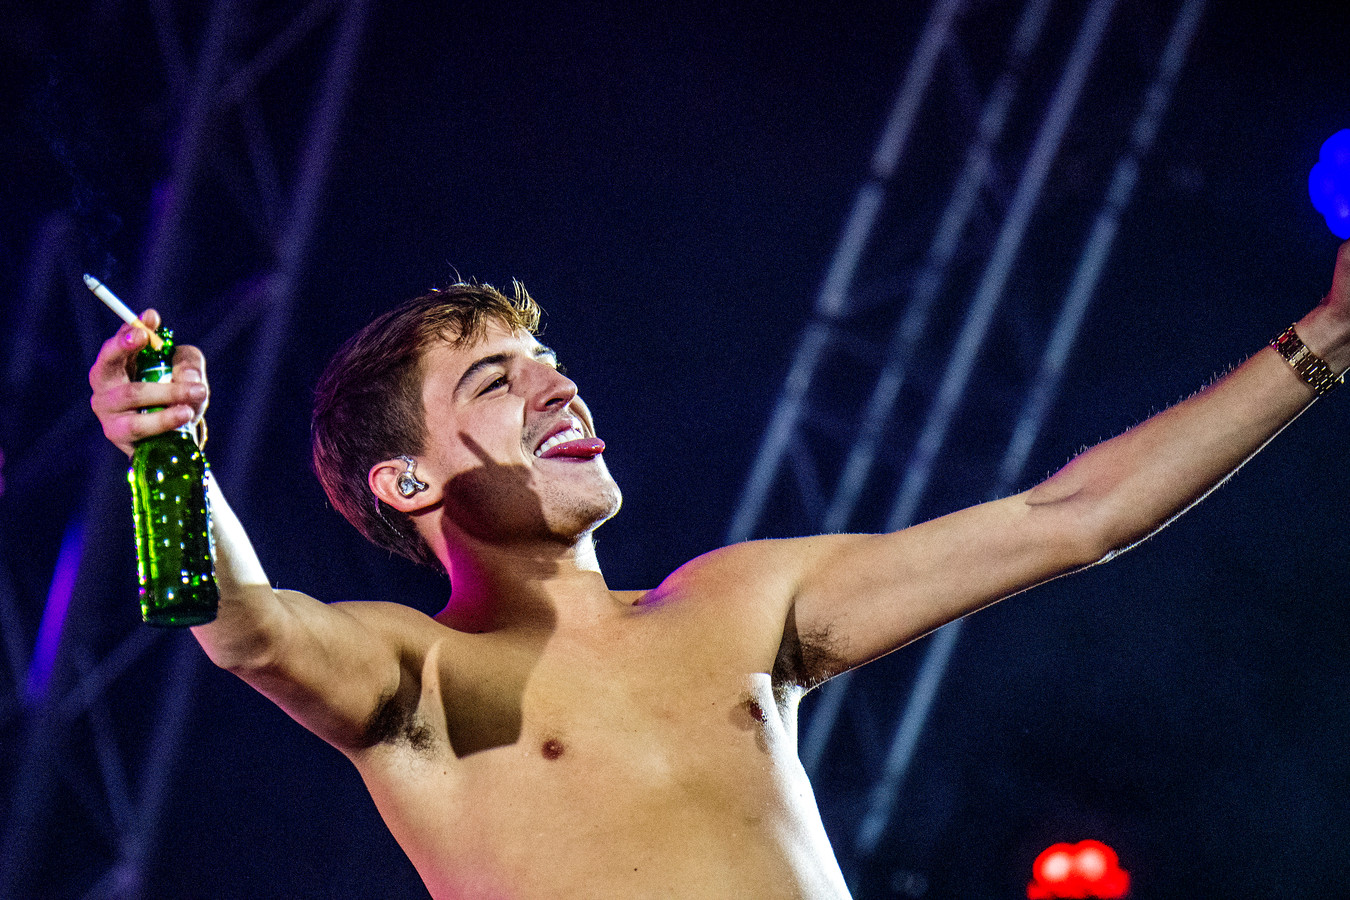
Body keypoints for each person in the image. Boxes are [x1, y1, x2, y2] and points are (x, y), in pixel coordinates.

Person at [89, 242, 1349, 899]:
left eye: (550, 363)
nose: (557, 387)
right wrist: (167, 459)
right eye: (495, 380)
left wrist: (1332, 332)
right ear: (407, 482)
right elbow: (242, 624)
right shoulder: (419, 678)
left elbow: (1068, 518)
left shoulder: (737, 602)